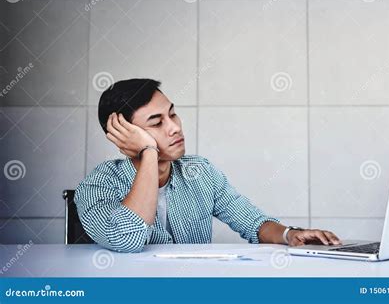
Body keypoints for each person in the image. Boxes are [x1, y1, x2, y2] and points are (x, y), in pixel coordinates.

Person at [74, 78, 341, 252]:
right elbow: (126, 238)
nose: (174, 127)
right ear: (123, 134)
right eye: (156, 123)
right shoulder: (98, 184)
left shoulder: (199, 172)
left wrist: (290, 235)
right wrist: (148, 151)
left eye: (173, 114)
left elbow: (254, 223)